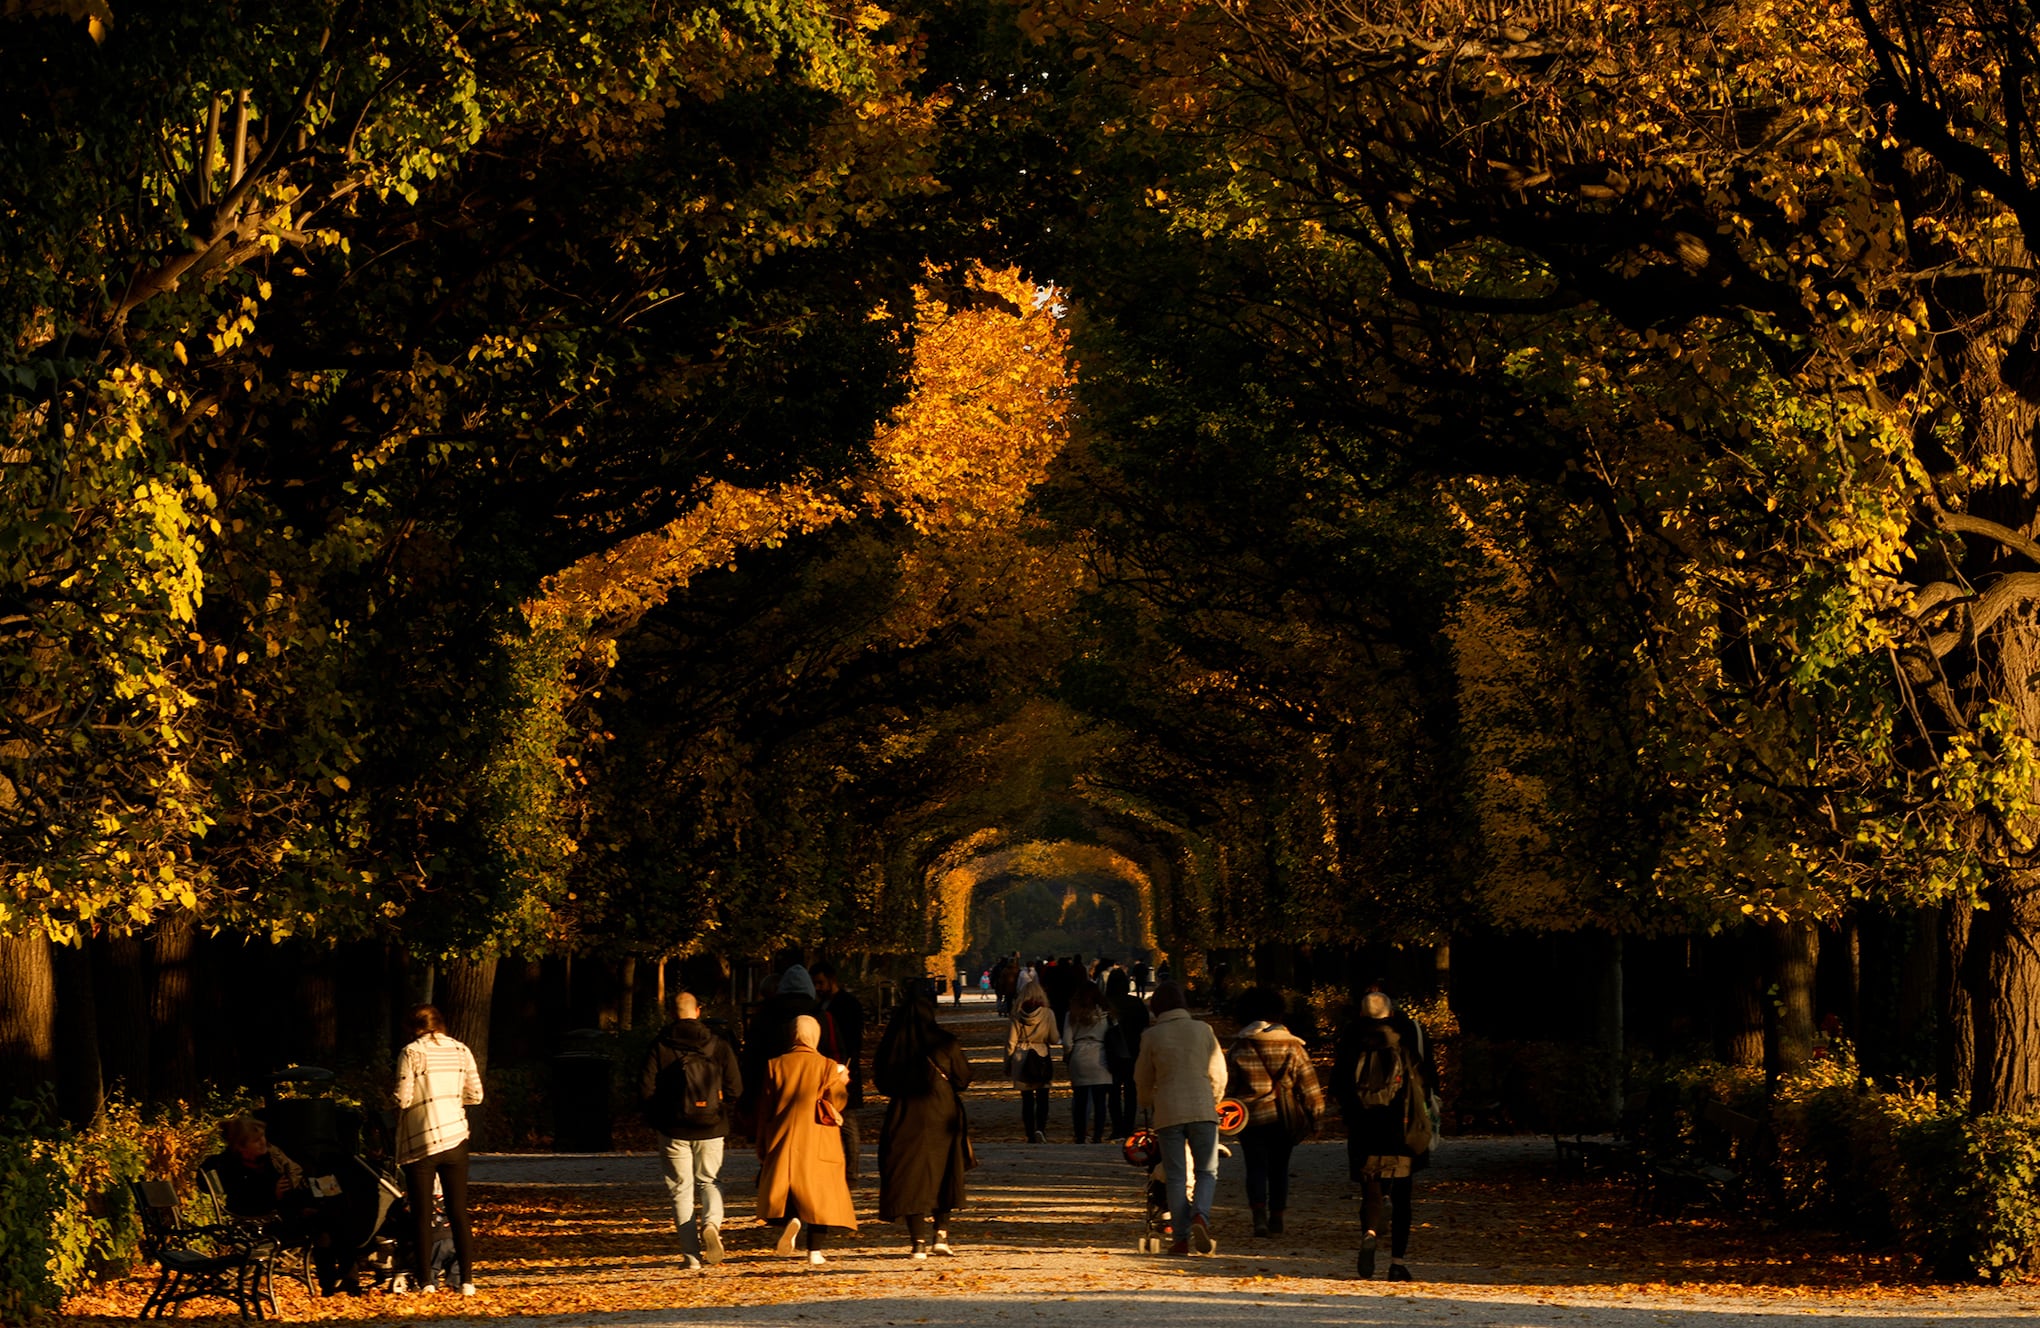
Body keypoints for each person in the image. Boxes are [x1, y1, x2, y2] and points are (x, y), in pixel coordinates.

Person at [1332, 986, 1436, 1281]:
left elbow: (1338, 1084)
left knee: (1371, 1189)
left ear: (1363, 1012)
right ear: (1391, 1012)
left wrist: (1351, 1115)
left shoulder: (1351, 1038)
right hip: (1400, 1126)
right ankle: (1397, 1262)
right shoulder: (1406, 1038)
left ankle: (1370, 1231)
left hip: (1364, 1127)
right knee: (1403, 1198)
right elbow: (1425, 1080)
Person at [641, 990, 744, 1270]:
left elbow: (646, 1089)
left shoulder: (659, 1045)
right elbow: (736, 1088)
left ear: (672, 1013)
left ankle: (691, 1257)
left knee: (681, 1190)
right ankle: (711, 1224)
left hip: (673, 1127)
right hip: (711, 1124)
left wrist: (660, 1117)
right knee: (709, 1181)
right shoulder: (718, 1044)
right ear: (698, 1011)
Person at [205, 1116, 356, 1296]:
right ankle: (334, 1283)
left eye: (263, 1137)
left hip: (289, 1210)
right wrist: (272, 1194)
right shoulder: (231, 1168)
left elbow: (296, 1172)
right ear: (241, 1147)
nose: (263, 1143)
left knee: (337, 1215)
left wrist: (313, 1191)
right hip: (260, 1224)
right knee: (326, 1225)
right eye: (256, 1141)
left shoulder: (271, 1154)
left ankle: (344, 1281)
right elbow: (240, 1204)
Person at [873, 994, 975, 1258]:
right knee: (945, 1171)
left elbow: (882, 1082)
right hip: (942, 1112)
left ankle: (917, 1240)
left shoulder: (895, 1046)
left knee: (910, 1176)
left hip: (905, 1114)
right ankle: (941, 1234)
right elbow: (963, 1079)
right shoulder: (945, 1042)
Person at [393, 1004, 484, 1295]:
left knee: (421, 1214)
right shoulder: (461, 1050)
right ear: (441, 1024)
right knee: (458, 1211)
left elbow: (403, 1099)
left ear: (413, 1028)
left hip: (421, 1141)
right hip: (456, 1136)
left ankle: (426, 1281)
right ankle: (467, 1280)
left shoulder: (412, 1053)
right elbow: (476, 1095)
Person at [1224, 986, 1326, 1238]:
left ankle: (1258, 1215)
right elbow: (1308, 1085)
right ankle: (1277, 1216)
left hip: (1250, 1117)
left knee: (1255, 1167)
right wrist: (1316, 1118)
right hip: (1284, 1117)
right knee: (1279, 1168)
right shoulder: (1293, 1047)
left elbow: (1229, 1086)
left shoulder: (1241, 1046)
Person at [757, 1014, 857, 1266]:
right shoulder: (827, 1066)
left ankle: (793, 1218)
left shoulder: (774, 1065)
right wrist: (842, 1081)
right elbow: (838, 1102)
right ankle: (815, 1251)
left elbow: (766, 1109)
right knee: (820, 1194)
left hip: (784, 1136)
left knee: (791, 1186)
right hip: (819, 1137)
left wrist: (762, 1142)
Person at [1134, 981, 1225, 1255]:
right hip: (1202, 1108)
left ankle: (1181, 1238)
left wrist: (1147, 1102)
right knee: (1207, 1171)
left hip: (1168, 1111)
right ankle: (1201, 1216)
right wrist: (1214, 1099)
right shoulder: (1203, 1030)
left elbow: (1142, 1078)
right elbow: (1218, 1073)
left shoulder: (1152, 1036)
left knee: (1175, 1176)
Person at [742, 964, 820, 1126]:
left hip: (773, 1088)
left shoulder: (764, 1016)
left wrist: (751, 1095)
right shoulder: (821, 1015)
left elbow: (752, 1057)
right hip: (814, 1089)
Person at [1005, 979, 1057, 1143]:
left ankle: (1029, 1132)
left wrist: (1007, 1062)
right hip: (1041, 1053)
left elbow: (1010, 1042)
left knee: (1027, 1099)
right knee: (1043, 1097)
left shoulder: (1017, 1015)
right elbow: (1054, 1038)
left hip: (1022, 1055)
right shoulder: (1048, 1014)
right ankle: (1040, 1128)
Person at [811, 962, 866, 1110]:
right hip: (828, 1065)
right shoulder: (820, 1005)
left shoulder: (848, 1005)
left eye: (820, 983)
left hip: (843, 1066)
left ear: (831, 980)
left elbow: (853, 1039)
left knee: (846, 1117)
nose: (817, 988)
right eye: (814, 983)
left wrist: (847, 1064)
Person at [1063, 984, 1113, 1144]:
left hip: (1079, 1055)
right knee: (1100, 1101)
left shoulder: (1072, 1015)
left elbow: (1066, 1042)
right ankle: (1098, 1135)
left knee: (1080, 1100)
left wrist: (1068, 1055)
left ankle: (1080, 1134)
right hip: (1100, 1056)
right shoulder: (1107, 1015)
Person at [1104, 969, 1149, 1138]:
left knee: (1113, 1092)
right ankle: (1128, 1125)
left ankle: (1117, 1127)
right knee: (1131, 1091)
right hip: (1133, 1050)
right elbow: (1144, 1024)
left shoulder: (1106, 1004)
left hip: (1112, 1052)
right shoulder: (1136, 1003)